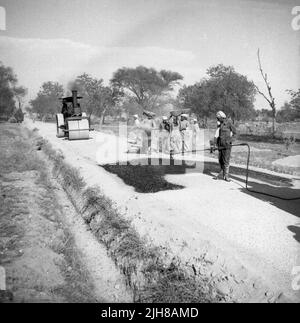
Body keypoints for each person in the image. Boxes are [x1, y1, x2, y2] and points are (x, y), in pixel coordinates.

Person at [213, 111, 237, 182]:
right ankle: (221, 174)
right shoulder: (219, 125)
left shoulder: (229, 123)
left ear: (222, 117)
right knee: (220, 160)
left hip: (227, 146)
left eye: (218, 118)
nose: (217, 120)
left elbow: (235, 133)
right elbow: (217, 135)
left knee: (226, 161)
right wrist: (215, 145)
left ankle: (226, 176)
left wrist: (230, 140)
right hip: (220, 145)